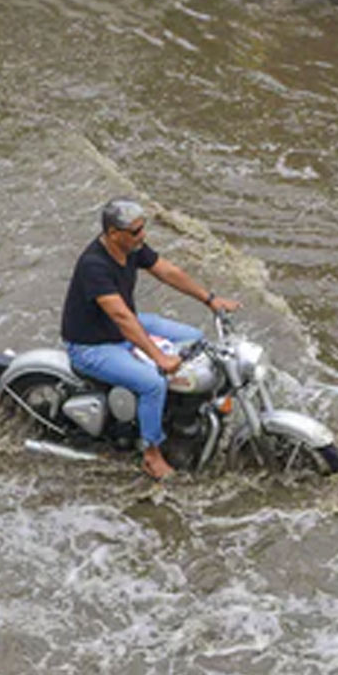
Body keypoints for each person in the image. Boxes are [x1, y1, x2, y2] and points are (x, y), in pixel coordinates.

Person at [60, 199, 241, 480]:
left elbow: (167, 272)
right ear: (113, 233)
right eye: (135, 231)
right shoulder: (94, 266)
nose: (142, 235)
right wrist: (159, 357)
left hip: (121, 327)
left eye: (142, 228)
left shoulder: (131, 248)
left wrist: (211, 300)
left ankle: (185, 412)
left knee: (195, 338)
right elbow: (121, 316)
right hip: (93, 345)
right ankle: (151, 453)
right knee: (152, 383)